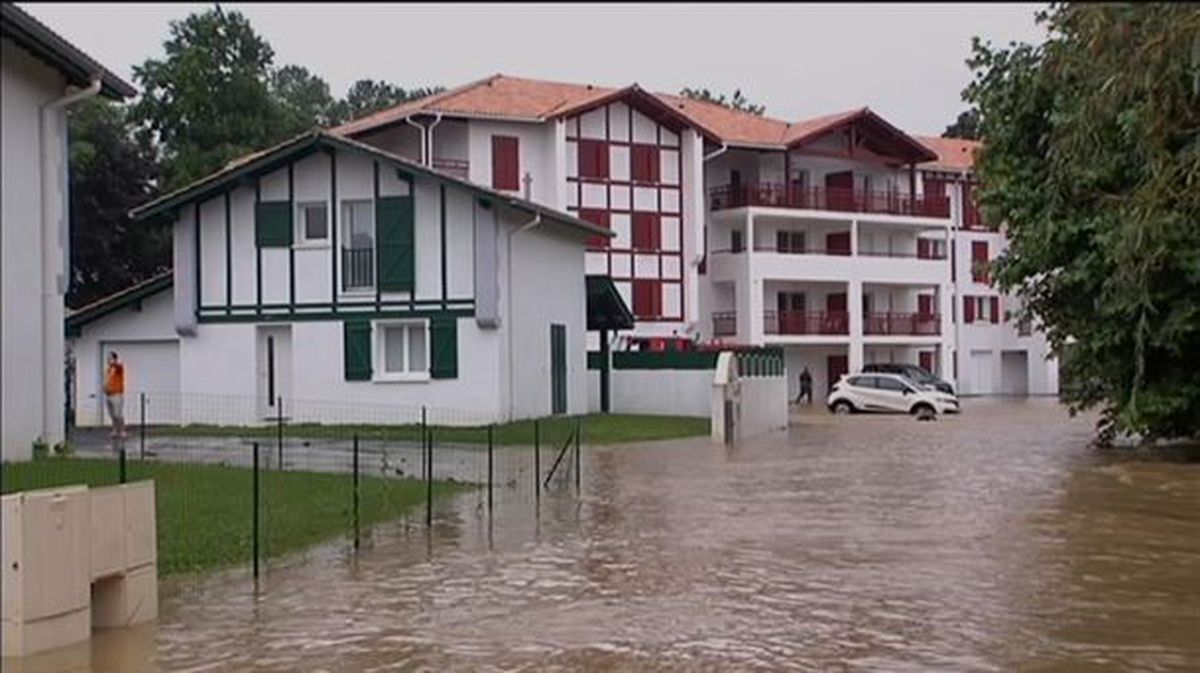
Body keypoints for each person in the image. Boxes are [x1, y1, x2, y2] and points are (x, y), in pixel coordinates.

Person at [104, 351, 127, 439]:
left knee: (118, 414)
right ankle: (114, 431)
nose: (108, 360)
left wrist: (115, 363)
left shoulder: (118, 368)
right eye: (107, 358)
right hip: (109, 394)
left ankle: (122, 431)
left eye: (110, 358)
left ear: (114, 359)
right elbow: (108, 381)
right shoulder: (108, 370)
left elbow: (119, 366)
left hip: (117, 394)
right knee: (112, 414)